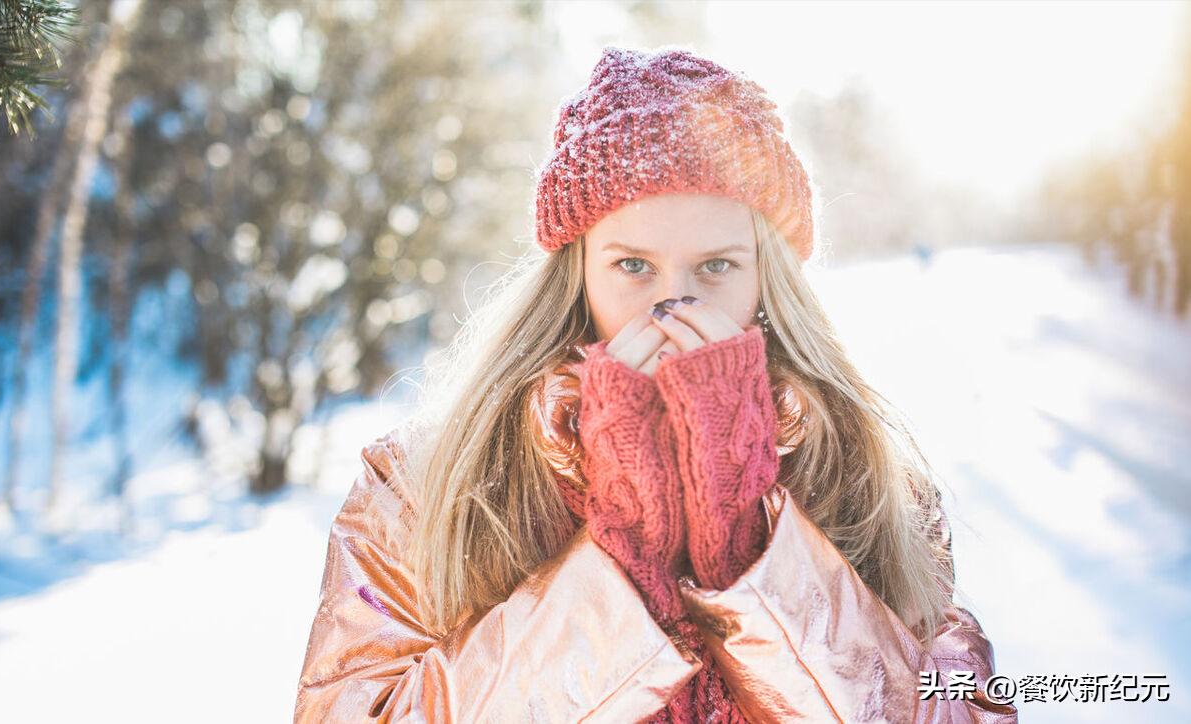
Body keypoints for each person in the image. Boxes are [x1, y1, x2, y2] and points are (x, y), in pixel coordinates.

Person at [294, 45, 1019, 723]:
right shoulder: (424, 485)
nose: (674, 307)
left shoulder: (869, 476)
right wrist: (620, 570)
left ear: (769, 277)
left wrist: (754, 553)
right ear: (577, 270)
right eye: (633, 266)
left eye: (716, 267)